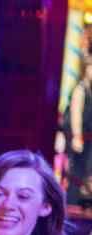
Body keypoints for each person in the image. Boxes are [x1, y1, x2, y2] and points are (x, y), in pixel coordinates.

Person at [65, 57, 92, 207]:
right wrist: (76, 136)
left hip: (89, 140)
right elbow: (76, 113)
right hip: (81, 139)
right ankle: (72, 203)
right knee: (77, 172)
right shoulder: (81, 89)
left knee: (88, 172)